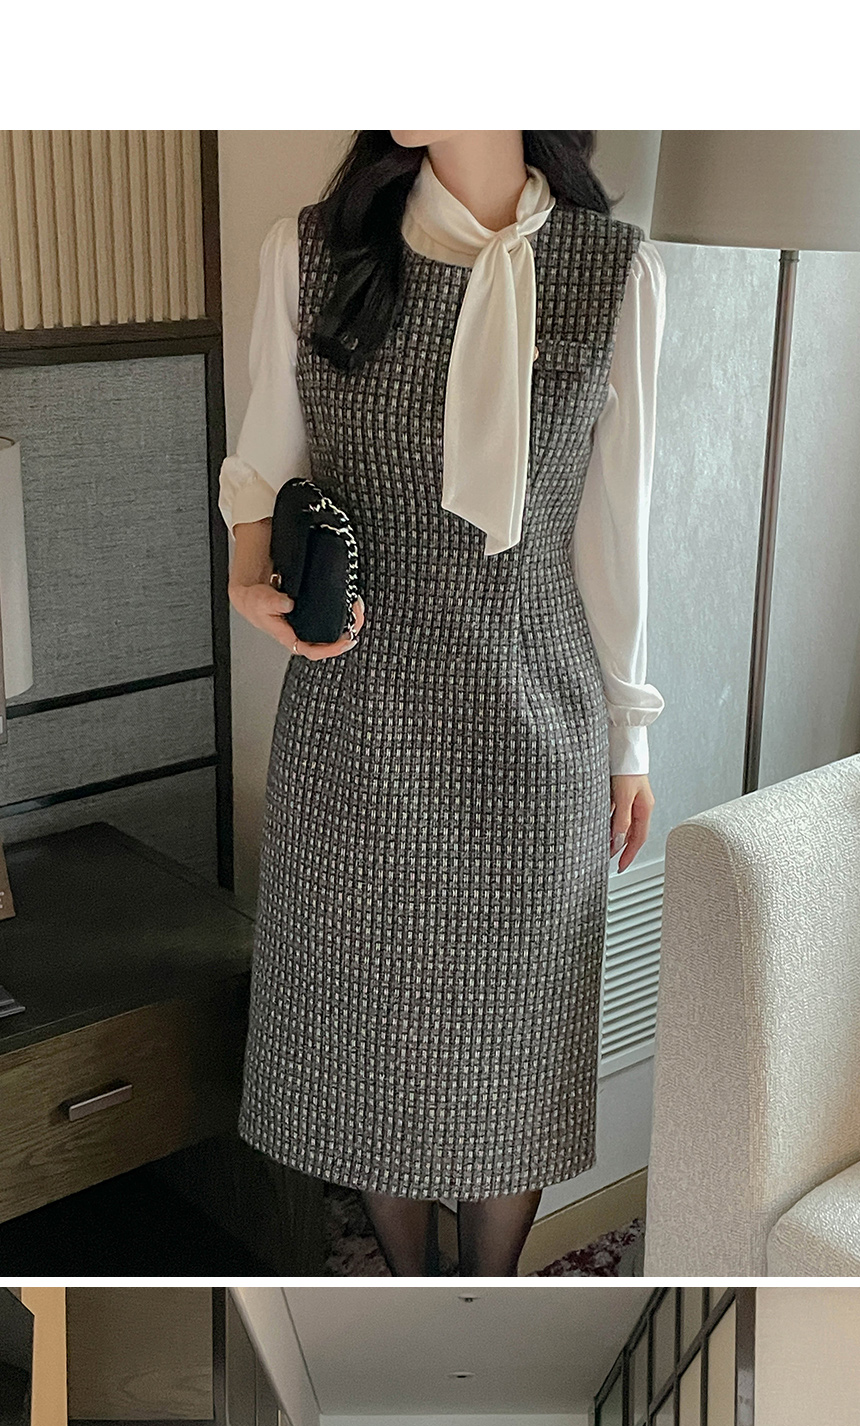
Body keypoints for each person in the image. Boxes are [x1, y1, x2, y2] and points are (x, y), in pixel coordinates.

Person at [220, 128, 665, 1274]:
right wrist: (249, 576)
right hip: (359, 723)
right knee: (374, 1051)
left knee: (514, 1055)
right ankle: (412, 1292)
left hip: (534, 723)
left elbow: (612, 533)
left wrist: (628, 738)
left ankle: (489, 1297)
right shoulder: (310, 252)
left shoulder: (613, 271)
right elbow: (262, 472)